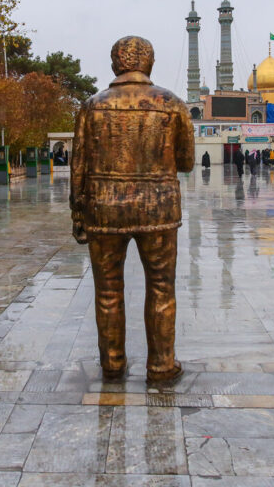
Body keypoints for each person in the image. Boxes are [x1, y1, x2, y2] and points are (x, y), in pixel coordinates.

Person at [70, 35, 192, 383]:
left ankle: (112, 363)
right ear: (149, 63)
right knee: (162, 287)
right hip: (158, 209)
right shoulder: (172, 104)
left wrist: (78, 212)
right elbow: (185, 161)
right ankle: (162, 365)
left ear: (115, 64)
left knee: (107, 290)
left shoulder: (92, 106)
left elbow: (79, 165)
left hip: (104, 208)